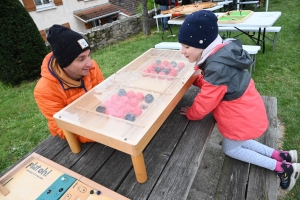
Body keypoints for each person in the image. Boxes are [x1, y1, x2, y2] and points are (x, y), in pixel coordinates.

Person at [178, 10, 300, 191]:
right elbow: (216, 83)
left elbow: (205, 102)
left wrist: (191, 113)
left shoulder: (217, 67)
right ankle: (281, 155)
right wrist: (196, 80)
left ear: (202, 44)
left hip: (240, 116)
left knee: (231, 149)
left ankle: (284, 168)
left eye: (187, 46)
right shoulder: (221, 54)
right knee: (239, 142)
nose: (183, 51)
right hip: (247, 109)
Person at [34, 25, 105, 143]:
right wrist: (104, 132)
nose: (90, 64)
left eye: (88, 55)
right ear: (64, 62)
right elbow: (63, 129)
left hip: (99, 119)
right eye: (81, 59)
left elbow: (104, 95)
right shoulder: (45, 90)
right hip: (74, 139)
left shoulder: (92, 68)